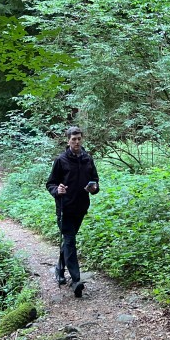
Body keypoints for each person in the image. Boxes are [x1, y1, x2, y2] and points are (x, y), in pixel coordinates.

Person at [45, 126, 99, 298]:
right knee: (70, 241)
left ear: (82, 139)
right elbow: (50, 183)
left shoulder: (87, 159)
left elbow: (95, 180)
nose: (76, 142)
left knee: (68, 242)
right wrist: (57, 190)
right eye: (73, 139)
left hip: (81, 208)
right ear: (68, 140)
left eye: (79, 139)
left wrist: (94, 188)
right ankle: (76, 280)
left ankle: (59, 269)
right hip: (65, 208)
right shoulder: (61, 160)